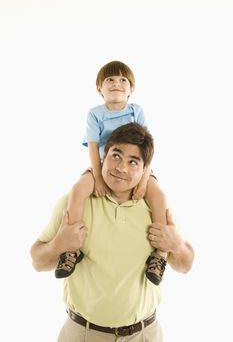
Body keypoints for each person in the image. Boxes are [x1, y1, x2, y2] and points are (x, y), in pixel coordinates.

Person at [31, 122, 194, 342]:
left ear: (145, 170)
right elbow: (37, 262)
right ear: (103, 157)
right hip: (83, 334)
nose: (121, 167)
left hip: (144, 334)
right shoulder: (72, 204)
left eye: (133, 162)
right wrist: (58, 245)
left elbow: (185, 265)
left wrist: (175, 245)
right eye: (116, 156)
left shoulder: (157, 209)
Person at [55, 60, 168, 285]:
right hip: (103, 165)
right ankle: (71, 249)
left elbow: (148, 147)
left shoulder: (136, 111)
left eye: (123, 80)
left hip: (138, 168)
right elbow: (94, 147)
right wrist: (96, 176)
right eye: (110, 80)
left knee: (159, 196)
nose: (117, 83)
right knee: (78, 190)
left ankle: (160, 254)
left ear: (131, 89)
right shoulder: (95, 114)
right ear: (99, 88)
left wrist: (144, 179)